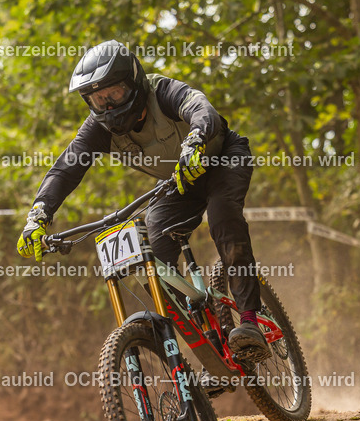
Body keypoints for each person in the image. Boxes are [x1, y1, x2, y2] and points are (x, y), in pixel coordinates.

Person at [17, 39, 270, 359]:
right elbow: (65, 169)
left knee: (222, 215)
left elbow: (201, 108)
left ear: (134, 82)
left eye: (114, 93)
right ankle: (207, 342)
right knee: (154, 256)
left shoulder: (161, 92)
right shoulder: (98, 128)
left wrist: (195, 142)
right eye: (98, 99)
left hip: (223, 158)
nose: (108, 106)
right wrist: (38, 215)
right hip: (179, 181)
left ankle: (249, 320)